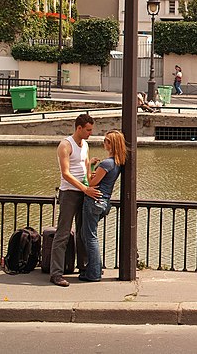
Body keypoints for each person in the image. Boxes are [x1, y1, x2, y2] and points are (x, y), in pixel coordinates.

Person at [50, 114, 99, 287]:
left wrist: (91, 176)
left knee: (83, 232)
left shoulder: (85, 144)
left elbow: (85, 167)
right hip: (70, 193)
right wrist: (85, 188)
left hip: (83, 192)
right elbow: (65, 173)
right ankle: (56, 274)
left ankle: (84, 268)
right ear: (79, 128)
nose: (90, 133)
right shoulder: (65, 145)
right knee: (63, 233)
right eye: (88, 130)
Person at [79, 129, 126, 282]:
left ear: (111, 144)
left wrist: (88, 166)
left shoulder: (106, 163)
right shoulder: (117, 163)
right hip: (104, 202)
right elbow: (98, 179)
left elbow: (90, 182)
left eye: (106, 141)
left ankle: (94, 273)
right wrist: (94, 170)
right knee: (87, 235)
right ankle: (96, 268)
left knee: (90, 237)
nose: (103, 143)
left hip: (94, 201)